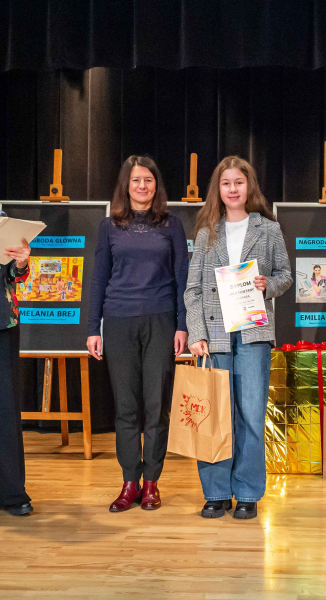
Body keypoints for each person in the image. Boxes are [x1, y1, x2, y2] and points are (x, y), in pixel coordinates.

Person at [185, 155, 292, 520]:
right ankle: (216, 492)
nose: (233, 189)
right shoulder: (206, 232)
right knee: (214, 416)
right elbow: (193, 290)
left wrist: (267, 285)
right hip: (214, 336)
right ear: (218, 189)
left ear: (249, 187)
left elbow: (285, 275)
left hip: (252, 333)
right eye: (226, 183)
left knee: (250, 415)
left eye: (239, 182)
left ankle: (247, 492)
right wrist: (196, 333)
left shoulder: (268, 229)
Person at [87, 156, 189, 513]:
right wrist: (93, 327)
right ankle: (129, 482)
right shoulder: (109, 226)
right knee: (126, 407)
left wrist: (182, 324)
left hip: (161, 321)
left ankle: (151, 484)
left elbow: (183, 277)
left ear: (156, 185)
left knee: (156, 406)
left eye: (148, 180)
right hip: (118, 321)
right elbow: (98, 278)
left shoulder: (172, 225)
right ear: (126, 185)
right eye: (136, 180)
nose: (142, 186)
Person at [0, 230, 33, 516]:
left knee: (5, 409)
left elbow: (15, 273)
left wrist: (22, 262)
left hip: (2, 324)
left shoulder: (3, 223)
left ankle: (12, 492)